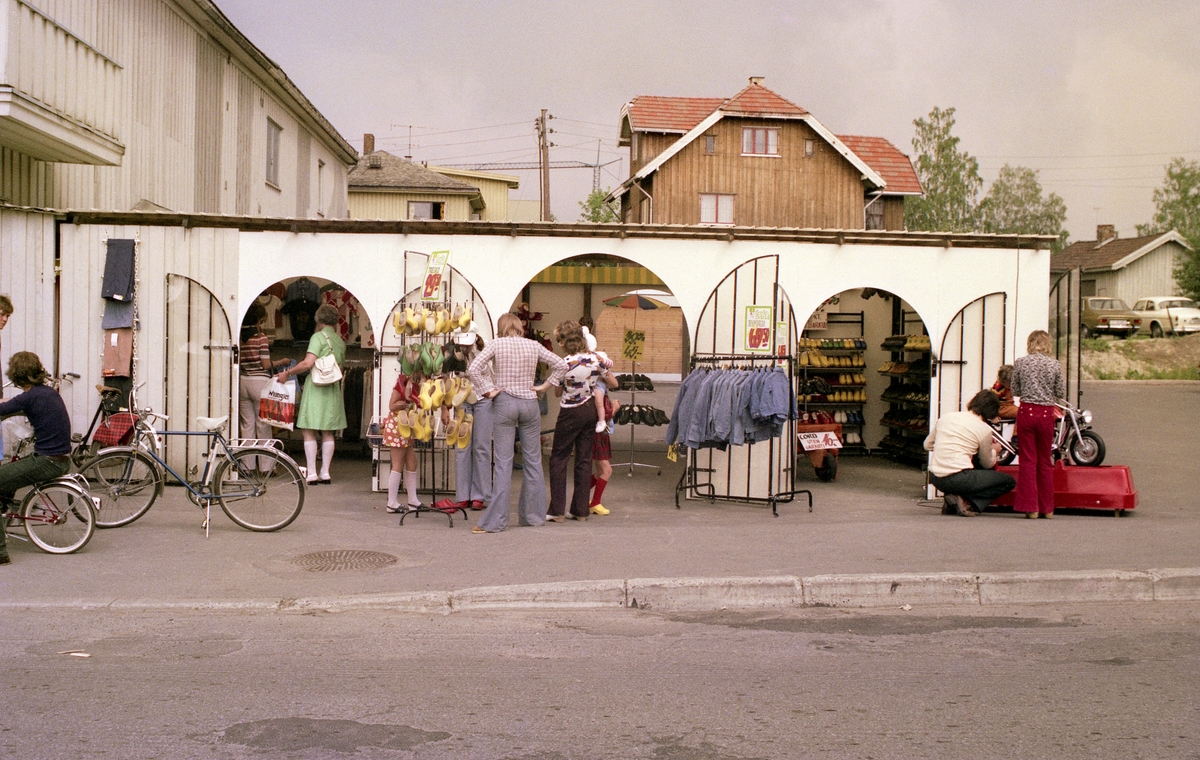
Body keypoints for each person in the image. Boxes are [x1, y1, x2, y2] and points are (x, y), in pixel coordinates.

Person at [466, 312, 567, 533]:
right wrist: (544, 386)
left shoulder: (496, 345)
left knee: (503, 463)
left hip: (505, 402)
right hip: (530, 403)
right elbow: (561, 365)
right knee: (533, 461)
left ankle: (496, 522)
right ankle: (532, 516)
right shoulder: (533, 345)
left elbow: (473, 369)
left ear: (502, 327)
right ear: (519, 326)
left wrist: (488, 391)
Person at [0, 352, 72, 565]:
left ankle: (0, 553)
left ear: (17, 376)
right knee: (7, 476)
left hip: (46, 461)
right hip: (60, 458)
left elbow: (4, 408)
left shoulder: (29, 397)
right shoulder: (47, 392)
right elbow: (15, 408)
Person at [548, 321, 616, 522]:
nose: (558, 343)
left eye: (559, 339)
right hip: (590, 411)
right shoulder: (597, 360)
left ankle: (557, 511)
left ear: (565, 340)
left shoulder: (565, 363)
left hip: (570, 411)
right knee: (584, 459)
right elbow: (613, 382)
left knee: (559, 458)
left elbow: (557, 392)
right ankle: (580, 511)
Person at [276, 303, 346, 485]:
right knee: (328, 432)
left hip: (316, 387)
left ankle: (312, 473)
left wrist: (288, 372)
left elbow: (308, 363)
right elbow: (341, 367)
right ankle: (326, 473)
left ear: (318, 320)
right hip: (332, 388)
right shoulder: (339, 341)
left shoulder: (317, 337)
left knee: (309, 430)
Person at [923, 388, 1016, 517]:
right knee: (1008, 482)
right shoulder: (984, 430)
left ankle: (953, 498)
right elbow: (987, 463)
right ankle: (968, 502)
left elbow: (927, 445)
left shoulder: (947, 417)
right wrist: (994, 450)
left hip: (935, 477)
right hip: (959, 478)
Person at [434, 323, 493, 511]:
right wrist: (445, 408)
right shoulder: (451, 352)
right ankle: (463, 495)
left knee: (481, 447)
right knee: (462, 446)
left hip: (483, 398)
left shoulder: (486, 349)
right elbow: (445, 381)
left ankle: (479, 495)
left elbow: (495, 376)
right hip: (462, 400)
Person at [1011, 329, 1066, 519]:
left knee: (1027, 461)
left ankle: (1030, 507)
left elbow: (1014, 389)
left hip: (1027, 413)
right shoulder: (1054, 365)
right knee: (1044, 460)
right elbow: (1060, 391)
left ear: (1030, 343)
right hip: (1045, 415)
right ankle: (1047, 508)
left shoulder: (1021, 363)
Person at [238, 301, 291, 469]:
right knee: (263, 425)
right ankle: (266, 467)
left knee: (247, 425)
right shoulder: (261, 338)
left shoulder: (240, 337)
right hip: (260, 382)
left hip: (243, 381)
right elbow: (266, 365)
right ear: (258, 320)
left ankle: (248, 466)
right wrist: (282, 361)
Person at [381, 368, 433, 513]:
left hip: (406, 425)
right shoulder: (402, 382)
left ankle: (413, 500)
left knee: (412, 462)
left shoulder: (417, 383)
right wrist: (407, 402)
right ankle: (391, 502)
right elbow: (392, 405)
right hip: (397, 424)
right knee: (398, 464)